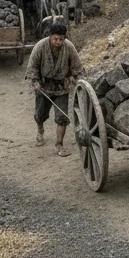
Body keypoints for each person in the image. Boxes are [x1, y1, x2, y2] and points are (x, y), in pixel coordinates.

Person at [25, 19, 83, 156]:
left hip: (61, 87)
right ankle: (40, 131)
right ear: (50, 36)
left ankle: (59, 144)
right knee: (40, 115)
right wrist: (35, 81)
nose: (58, 42)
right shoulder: (40, 46)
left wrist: (80, 81)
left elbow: (77, 67)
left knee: (62, 117)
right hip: (44, 86)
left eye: (61, 39)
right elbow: (32, 66)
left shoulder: (69, 47)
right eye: (55, 39)